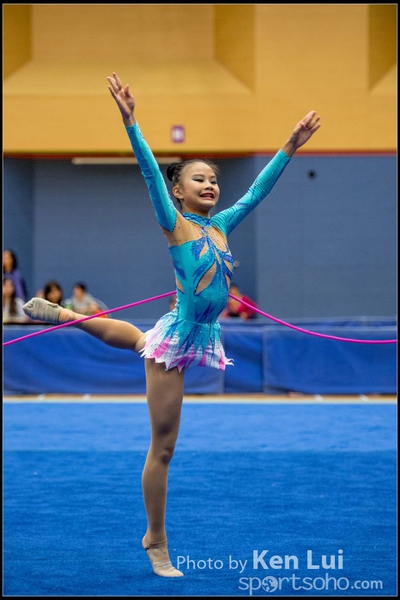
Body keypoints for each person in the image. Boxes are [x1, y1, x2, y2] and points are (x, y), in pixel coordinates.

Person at [22, 71, 321, 578]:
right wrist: (130, 122)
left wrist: (290, 145)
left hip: (197, 331)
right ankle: (155, 539)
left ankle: (70, 316)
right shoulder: (174, 223)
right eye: (197, 179)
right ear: (177, 192)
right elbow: (147, 171)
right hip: (181, 335)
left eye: (213, 179)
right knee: (163, 446)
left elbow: (256, 193)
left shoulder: (220, 225)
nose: (210, 184)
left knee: (141, 340)